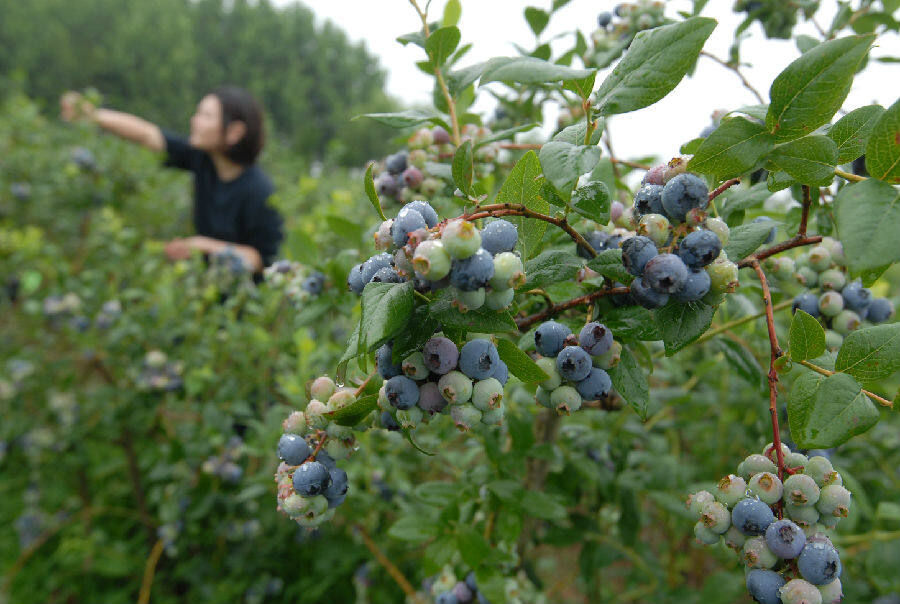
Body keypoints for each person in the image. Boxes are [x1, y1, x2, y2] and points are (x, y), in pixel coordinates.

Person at [60, 86, 283, 273]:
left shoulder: (259, 191)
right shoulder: (203, 160)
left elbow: (260, 259)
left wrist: (202, 245)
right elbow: (148, 134)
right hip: (207, 293)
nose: (194, 121)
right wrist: (92, 115)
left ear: (234, 132)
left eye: (205, 116)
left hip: (242, 307)